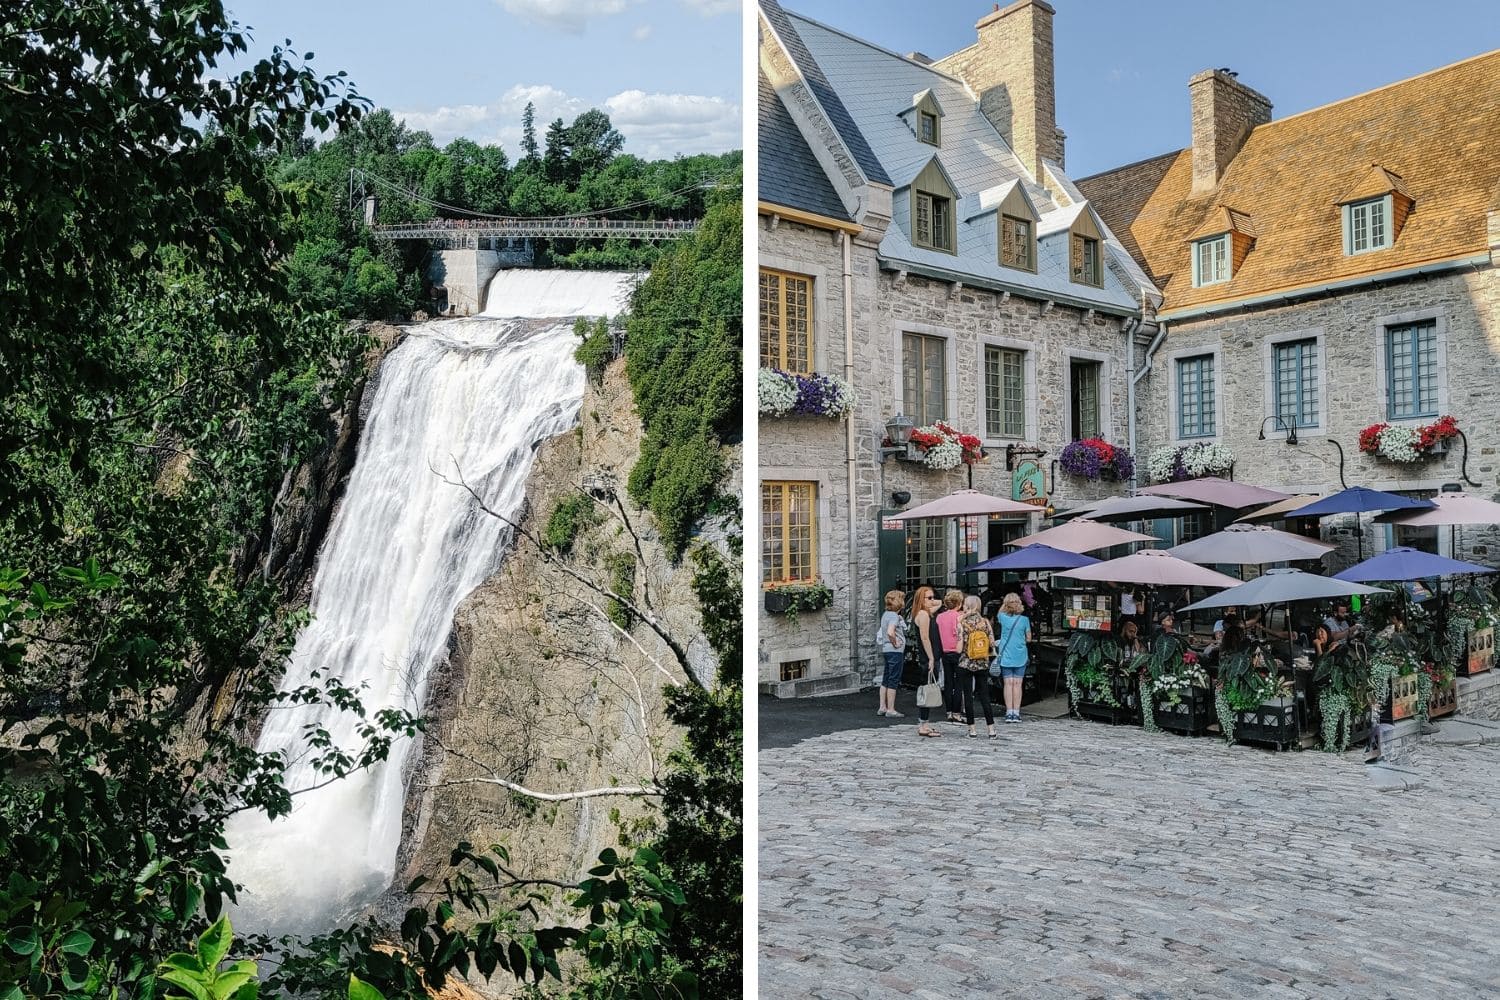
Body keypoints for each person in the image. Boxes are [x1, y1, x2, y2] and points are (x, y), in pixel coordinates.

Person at [958, 595, 998, 739]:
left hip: (966, 662)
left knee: (968, 696)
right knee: (984, 695)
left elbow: (958, 647)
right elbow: (992, 643)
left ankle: (972, 730)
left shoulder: (962, 623)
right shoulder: (985, 622)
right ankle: (991, 729)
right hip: (982, 662)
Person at [994, 592, 1033, 724]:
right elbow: (1029, 638)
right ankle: (1016, 712)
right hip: (1020, 655)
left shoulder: (1002, 617)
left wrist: (1005, 604)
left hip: (1006, 655)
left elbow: (999, 613)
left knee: (1008, 683)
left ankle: (1008, 712)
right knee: (1018, 684)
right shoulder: (1025, 620)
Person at [910, 586, 942, 738]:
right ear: (921, 600)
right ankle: (923, 724)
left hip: (930, 656)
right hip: (927, 657)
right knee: (926, 690)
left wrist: (932, 599)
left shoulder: (927, 612)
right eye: (928, 598)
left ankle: (925, 723)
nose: (932, 600)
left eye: (932, 597)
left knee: (928, 688)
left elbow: (940, 603)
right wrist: (931, 657)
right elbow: (924, 637)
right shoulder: (923, 614)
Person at [876, 590, 906, 719]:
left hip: (886, 650)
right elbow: (890, 632)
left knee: (886, 679)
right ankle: (891, 709)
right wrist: (895, 642)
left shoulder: (886, 614)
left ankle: (882, 707)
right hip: (895, 651)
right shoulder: (893, 616)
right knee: (894, 679)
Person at [936, 590, 965, 723]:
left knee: (948, 682)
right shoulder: (960, 616)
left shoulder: (940, 617)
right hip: (958, 651)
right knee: (959, 683)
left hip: (945, 651)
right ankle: (956, 712)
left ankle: (948, 712)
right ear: (959, 603)